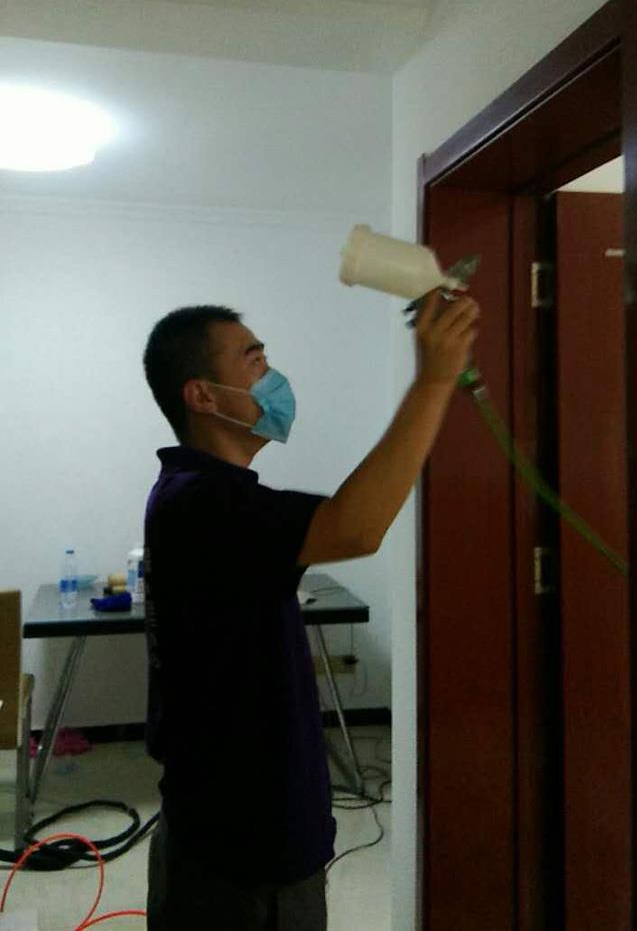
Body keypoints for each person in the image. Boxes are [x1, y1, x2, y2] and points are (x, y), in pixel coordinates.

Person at [142, 289, 479, 930]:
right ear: (203, 395)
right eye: (254, 361)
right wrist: (435, 380)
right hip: (243, 850)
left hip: (225, 828)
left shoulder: (206, 495)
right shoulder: (201, 501)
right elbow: (355, 527)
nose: (273, 377)